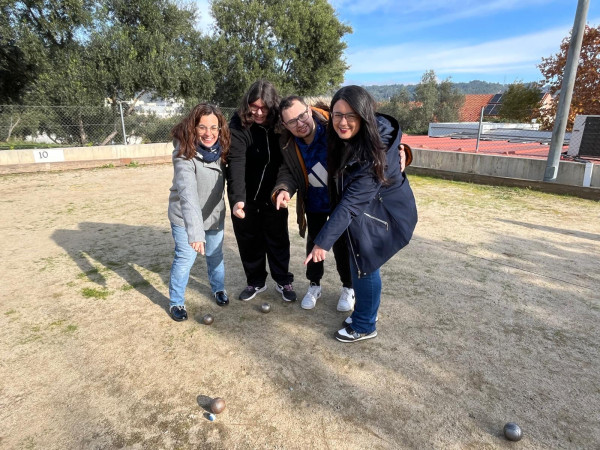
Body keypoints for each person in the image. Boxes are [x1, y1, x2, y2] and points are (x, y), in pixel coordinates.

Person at [305, 85, 418, 342]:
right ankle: (366, 313)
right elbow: (312, 114)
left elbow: (351, 203)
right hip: (369, 209)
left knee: (364, 264)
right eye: (337, 114)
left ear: (364, 115)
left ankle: (365, 324)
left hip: (383, 214)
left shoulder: (373, 152)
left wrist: (322, 242)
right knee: (365, 264)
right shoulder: (350, 134)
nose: (343, 122)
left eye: (351, 115)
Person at [272, 96, 355, 311]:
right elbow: (288, 171)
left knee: (342, 245)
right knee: (314, 244)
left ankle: (348, 287)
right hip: (313, 203)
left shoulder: (333, 128)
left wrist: (400, 147)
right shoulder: (287, 142)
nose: (300, 124)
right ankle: (314, 285)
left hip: (340, 203)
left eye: (302, 116)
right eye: (292, 121)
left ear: (309, 110)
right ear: (284, 125)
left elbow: (368, 134)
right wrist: (283, 189)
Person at [227, 80, 296, 302]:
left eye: (263, 108)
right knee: (248, 239)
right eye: (253, 106)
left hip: (274, 194)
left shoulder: (281, 123)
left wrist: (283, 190)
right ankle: (255, 281)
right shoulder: (238, 124)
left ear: (272, 106)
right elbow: (236, 161)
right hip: (245, 195)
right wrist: (238, 199)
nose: (258, 112)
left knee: (278, 238)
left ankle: (283, 280)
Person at [167, 103, 231, 322]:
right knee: (185, 258)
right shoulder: (183, 152)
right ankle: (176, 301)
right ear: (193, 127)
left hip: (213, 214)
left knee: (215, 255)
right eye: (202, 127)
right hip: (185, 217)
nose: (209, 133)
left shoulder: (223, 148)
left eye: (214, 127)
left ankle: (218, 289)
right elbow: (187, 193)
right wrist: (195, 233)